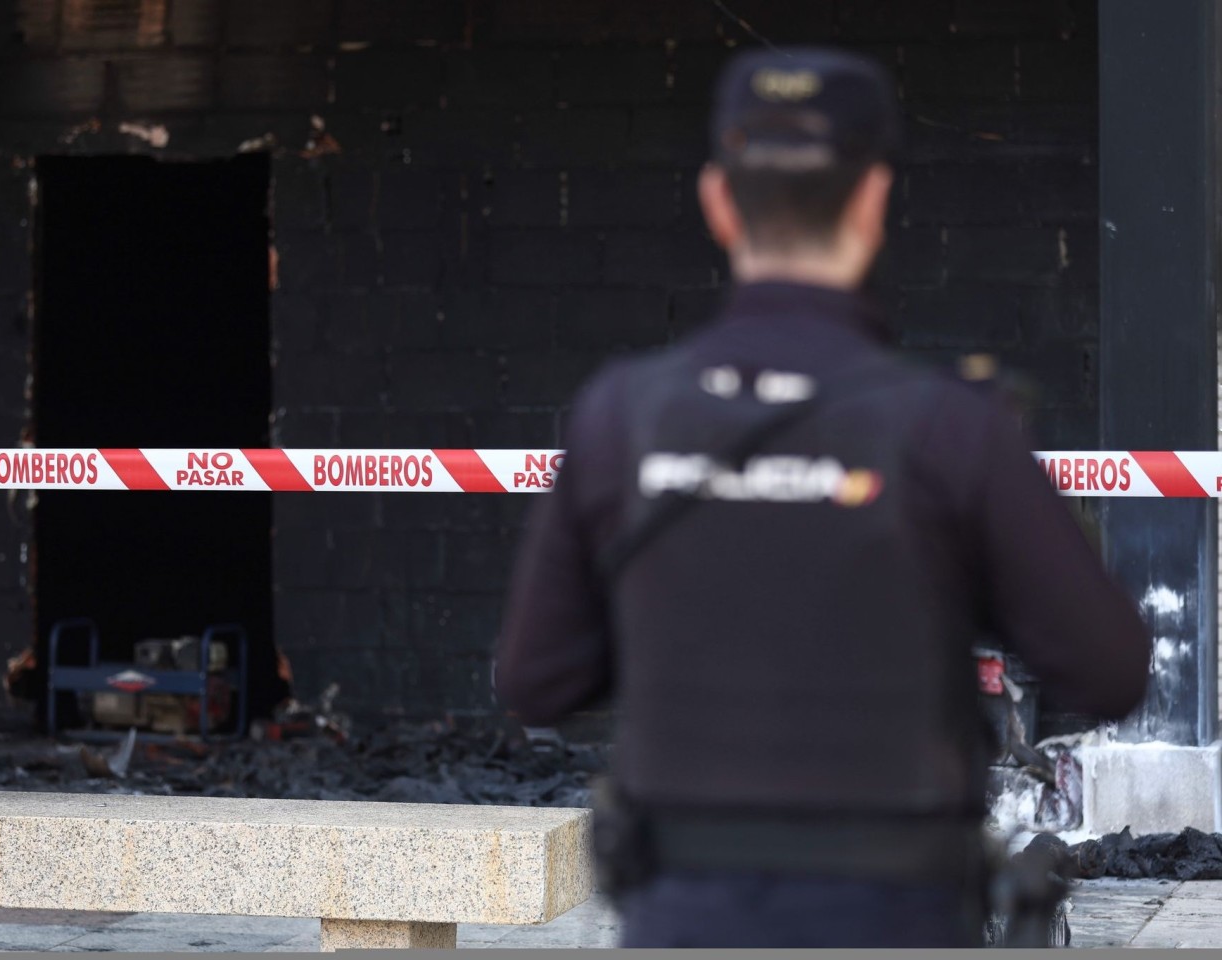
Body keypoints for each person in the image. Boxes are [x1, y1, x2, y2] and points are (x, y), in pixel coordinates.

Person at [493, 47, 1150, 949]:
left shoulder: (619, 416)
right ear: (875, 199)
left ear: (719, 201)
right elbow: (1111, 670)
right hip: (895, 918)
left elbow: (534, 680)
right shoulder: (953, 428)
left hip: (686, 917)